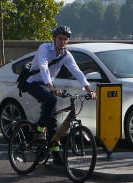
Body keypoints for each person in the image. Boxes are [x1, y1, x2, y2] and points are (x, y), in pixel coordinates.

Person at [23, 25, 96, 165]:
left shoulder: (66, 55)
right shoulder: (44, 48)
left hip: (47, 84)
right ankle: (38, 130)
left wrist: (89, 90)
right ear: (54, 38)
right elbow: (43, 67)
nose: (62, 42)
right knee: (51, 100)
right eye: (60, 38)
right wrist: (51, 87)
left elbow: (77, 72)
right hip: (32, 82)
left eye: (65, 39)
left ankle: (56, 156)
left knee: (53, 123)